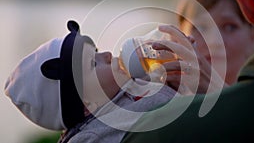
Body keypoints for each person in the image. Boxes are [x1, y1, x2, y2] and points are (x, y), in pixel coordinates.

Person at [120, 0, 254, 142]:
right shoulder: (157, 101)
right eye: (200, 28)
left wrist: (216, 94)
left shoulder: (159, 127)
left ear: (252, 30)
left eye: (229, 27)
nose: (214, 42)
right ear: (178, 34)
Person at [4, 20, 177, 143]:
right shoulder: (93, 137)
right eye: (94, 63)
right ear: (86, 105)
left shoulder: (125, 88)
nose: (108, 55)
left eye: (97, 51)